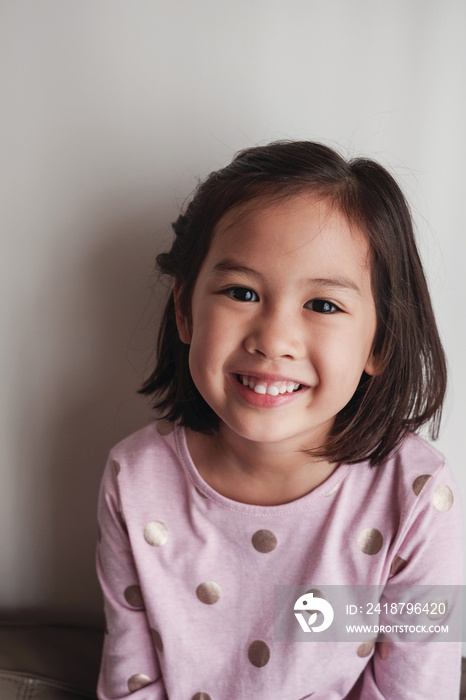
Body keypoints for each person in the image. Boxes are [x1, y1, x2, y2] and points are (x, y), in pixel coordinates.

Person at [96, 141, 463, 699]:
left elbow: (417, 688)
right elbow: (131, 681)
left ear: (380, 341)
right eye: (242, 292)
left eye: (323, 305)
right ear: (185, 310)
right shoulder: (134, 478)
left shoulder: (417, 500)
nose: (273, 339)